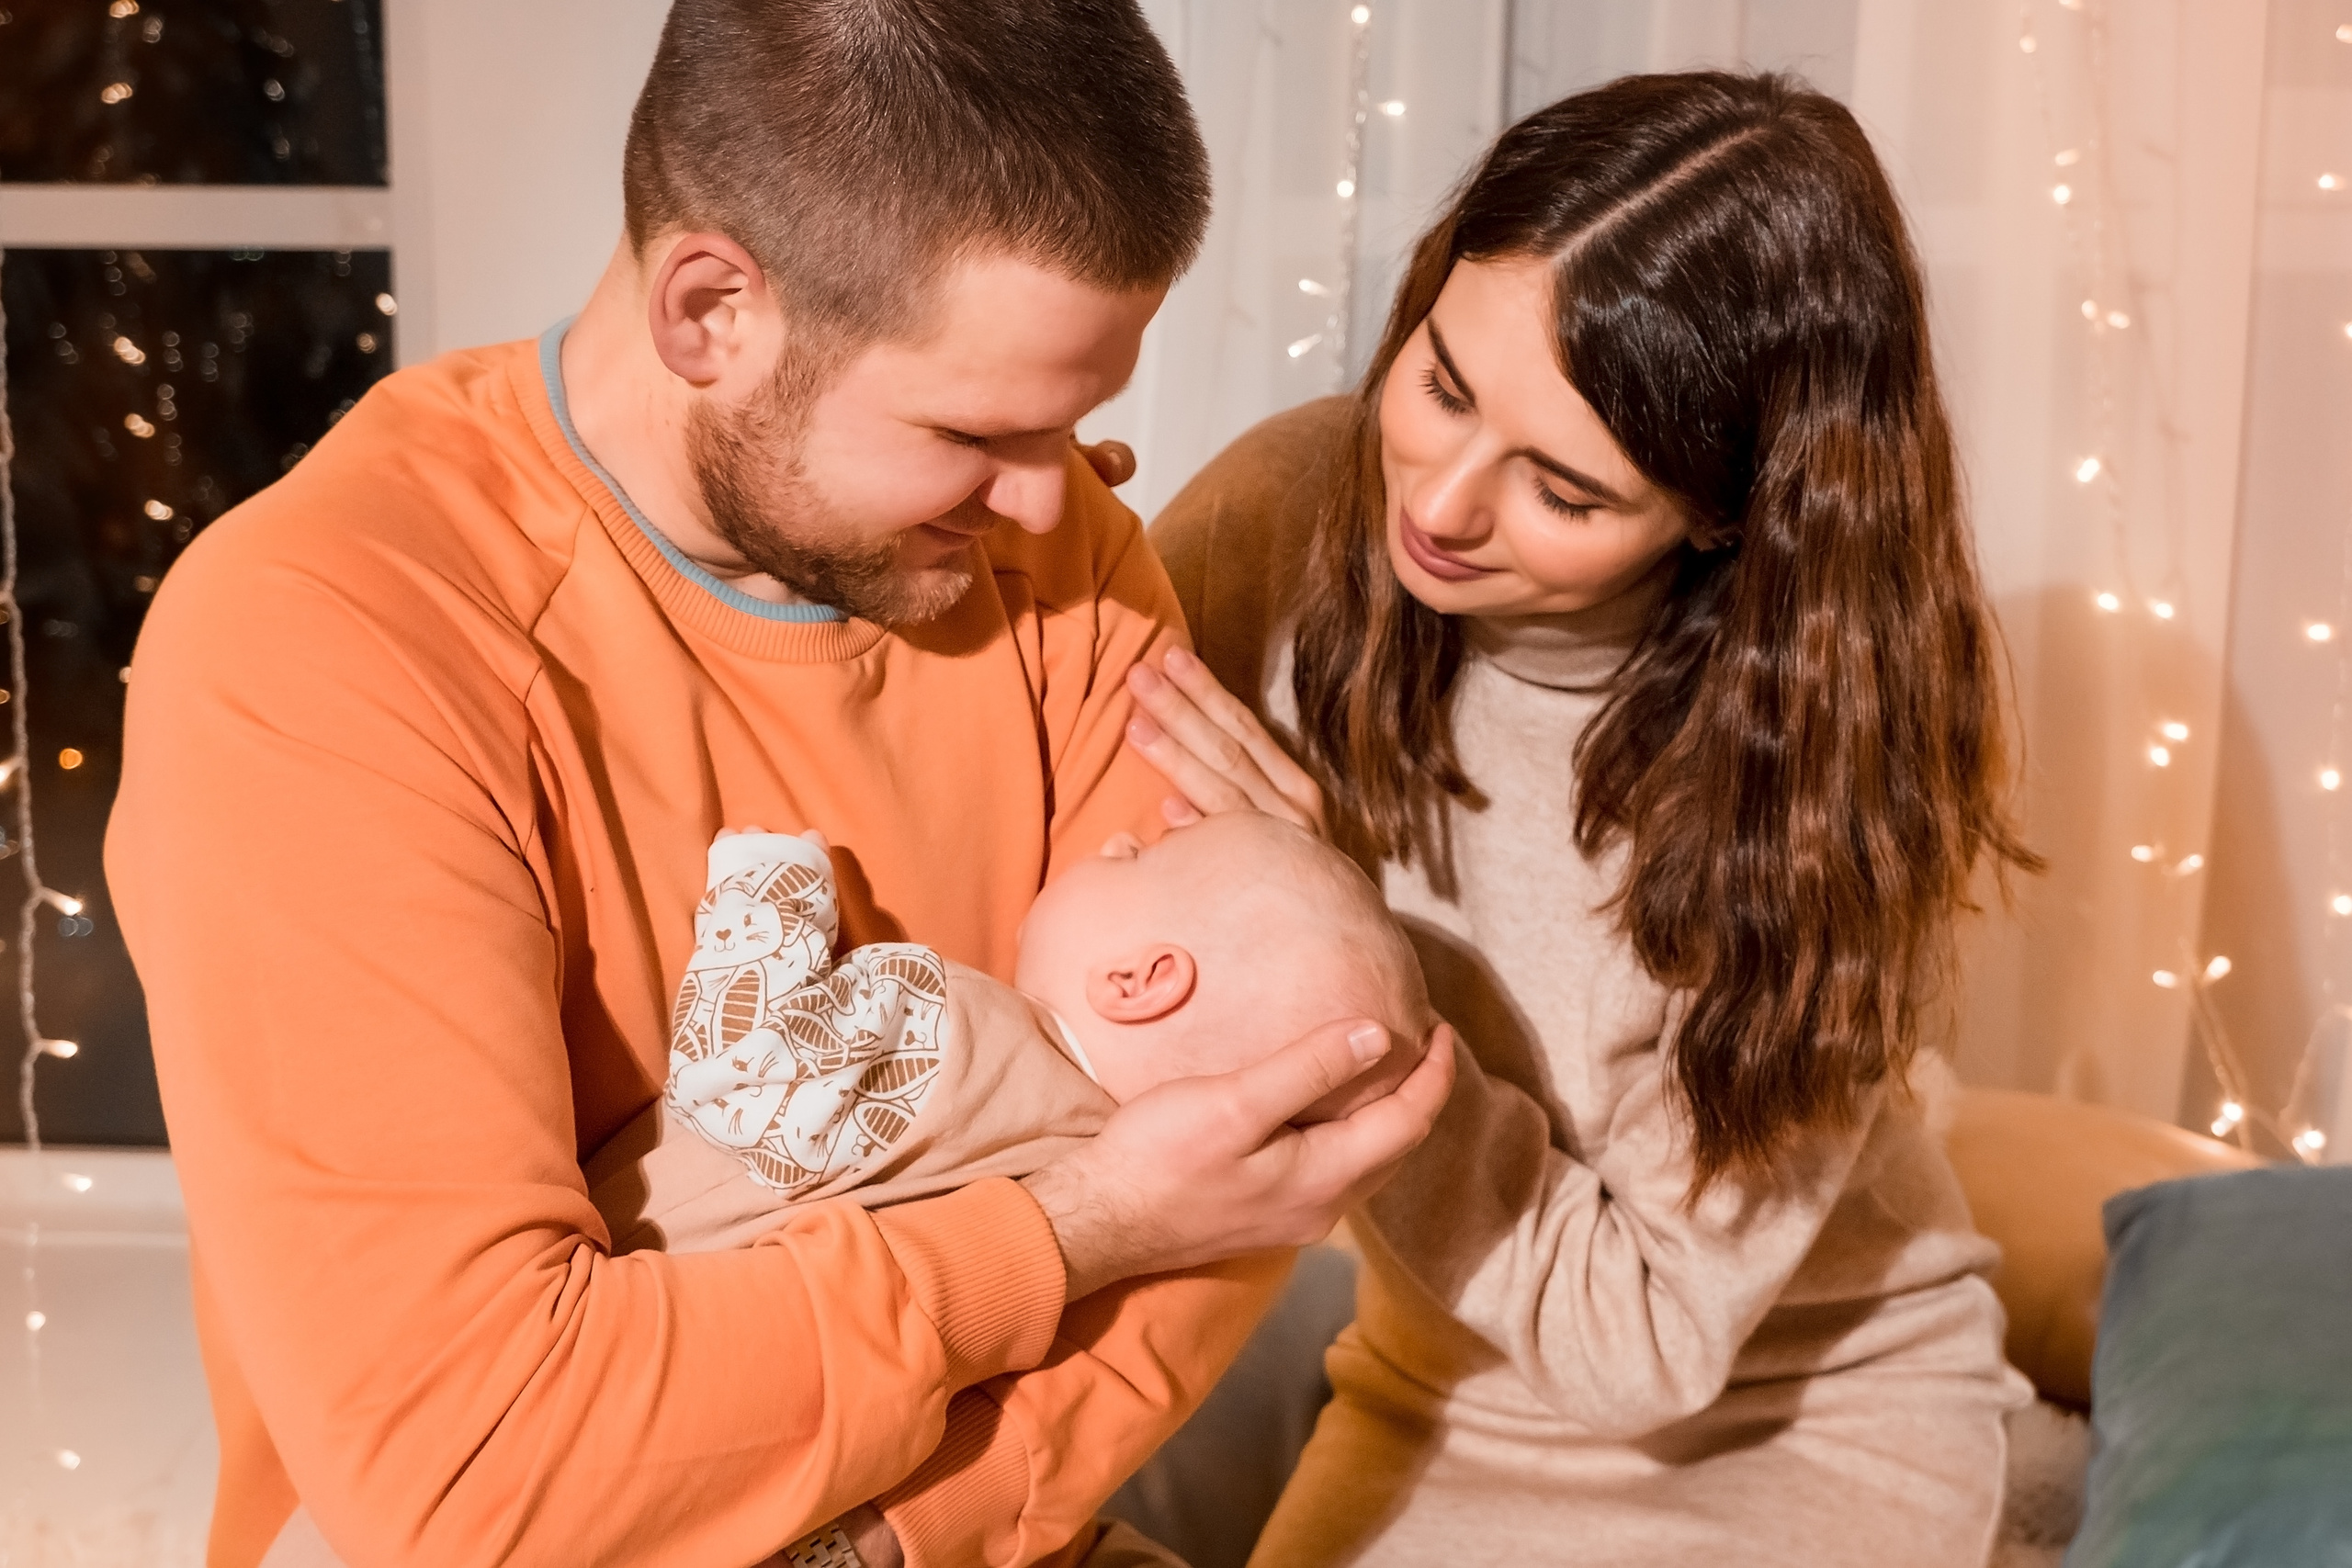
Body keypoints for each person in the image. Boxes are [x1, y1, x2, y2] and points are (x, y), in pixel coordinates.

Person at [105, 4, 1450, 1566]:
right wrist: (1077, 1226)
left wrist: (891, 1538)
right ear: (711, 310)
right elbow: (481, 1470)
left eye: (1072, 425)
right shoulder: (328, 640)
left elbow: (1240, 1152)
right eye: (974, 428)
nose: (1053, 499)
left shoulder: (1054, 553)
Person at [1128, 73, 2040, 1567]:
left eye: (1563, 488)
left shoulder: (1825, 778)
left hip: (1796, 1426)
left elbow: (1646, 1344)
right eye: (1441, 384)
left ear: (1727, 514)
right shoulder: (1286, 517)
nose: (1441, 504)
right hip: (1432, 1389)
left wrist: (1326, 942)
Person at [595, 815, 1431, 1264]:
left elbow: (743, 1085)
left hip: (621, 1298)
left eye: (1140, 856)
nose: (1117, 837)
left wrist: (773, 893)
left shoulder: (947, 1031)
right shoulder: (1094, 1172)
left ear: (1138, 980)